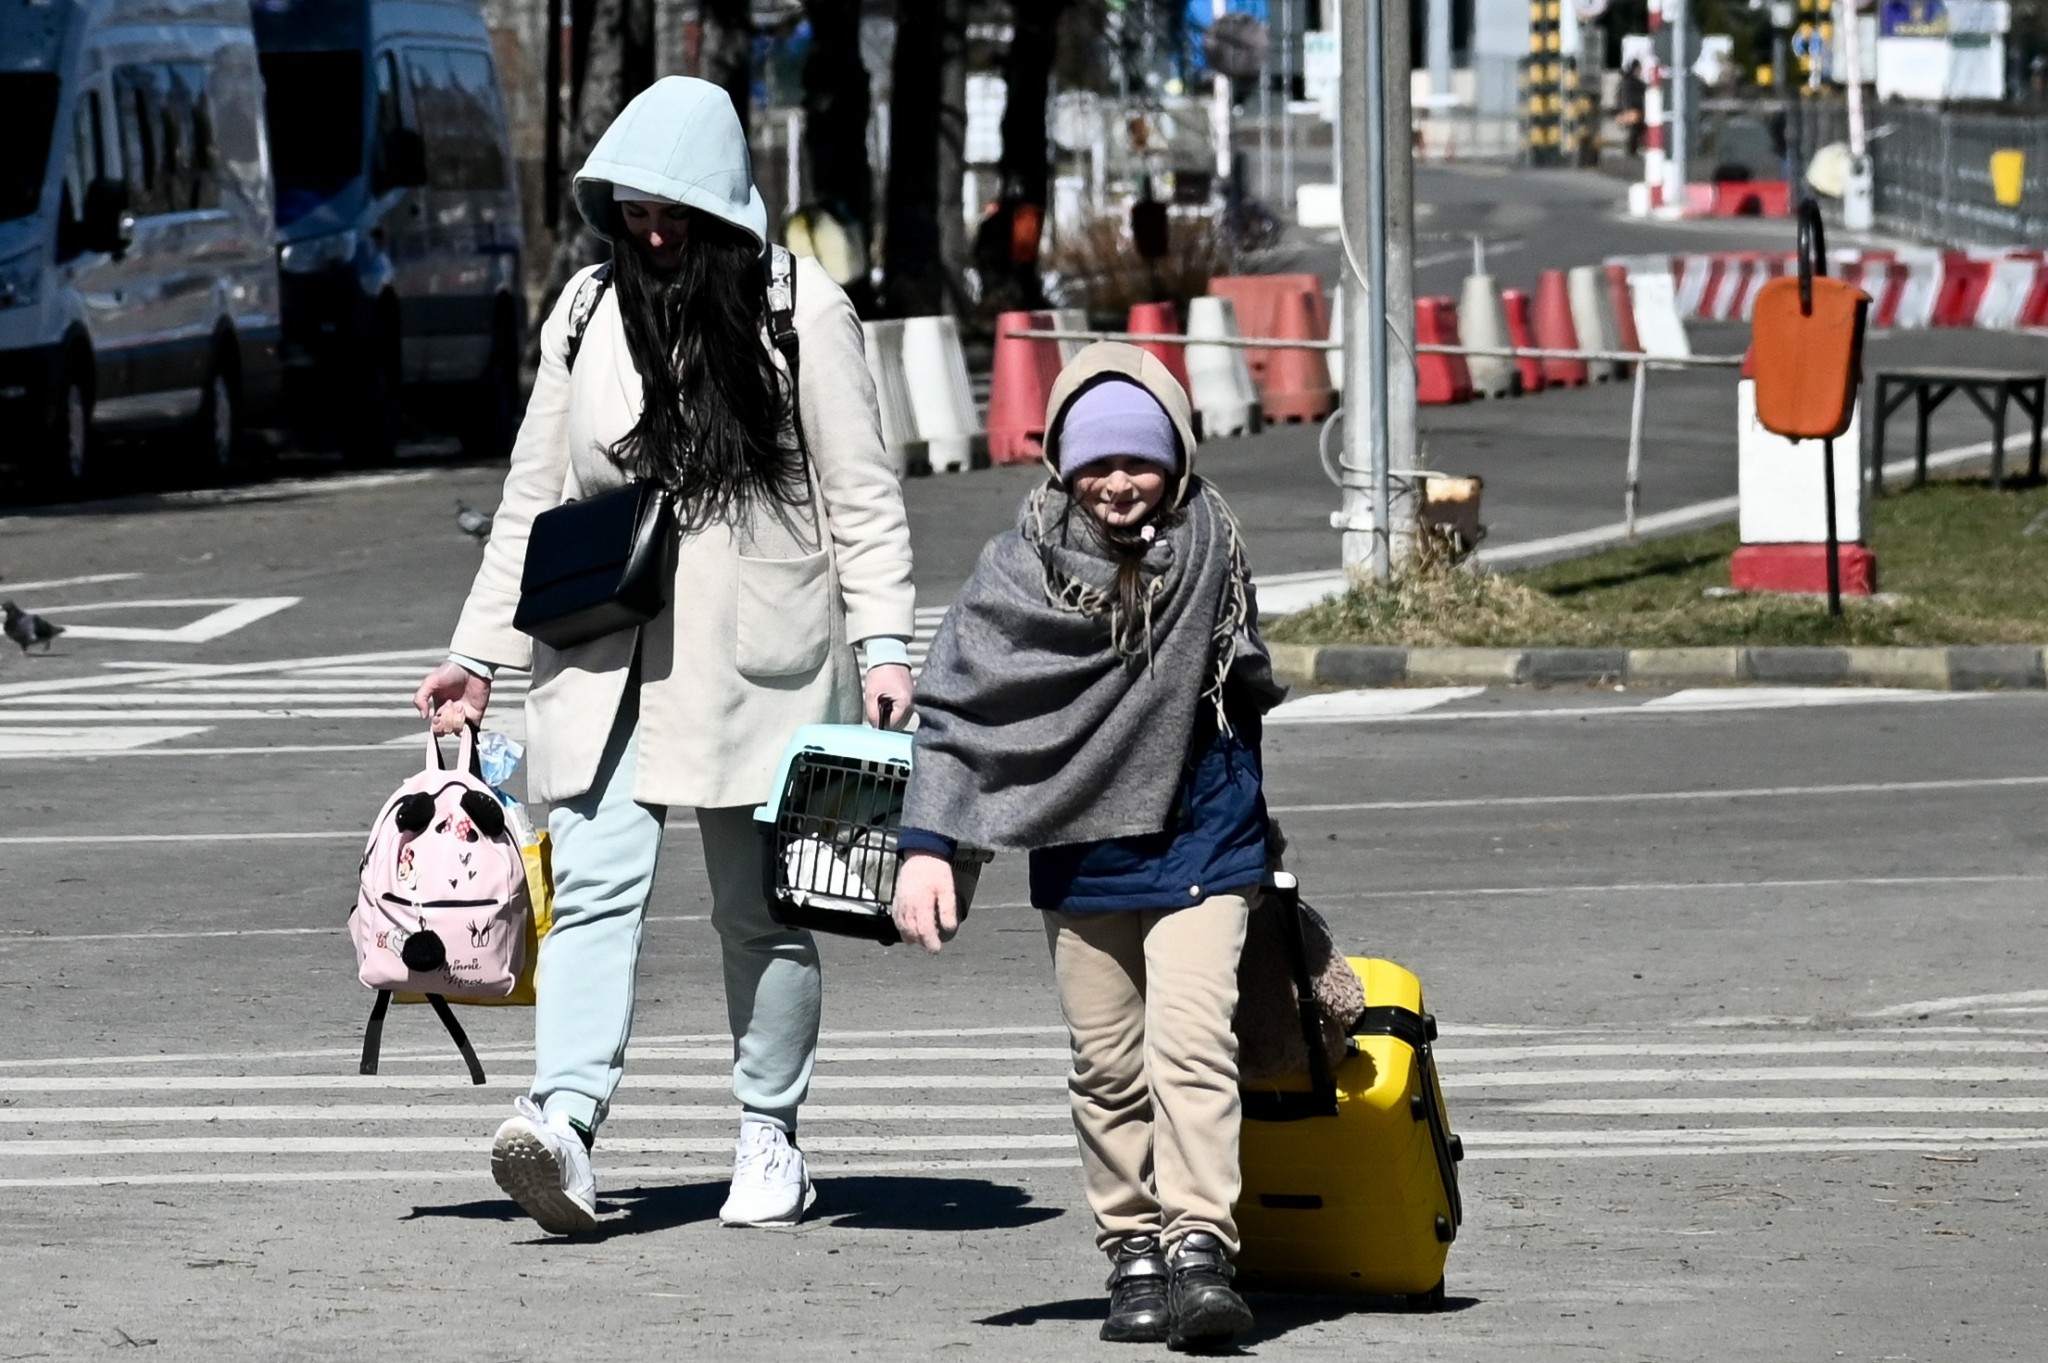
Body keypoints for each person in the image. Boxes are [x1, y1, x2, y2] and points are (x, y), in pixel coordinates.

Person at [412, 77, 915, 1235]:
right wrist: (475, 655)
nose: (649, 232)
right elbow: (531, 497)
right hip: (599, 651)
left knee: (766, 910)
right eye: (632, 210)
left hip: (760, 658)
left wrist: (885, 645)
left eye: (670, 212)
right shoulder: (585, 310)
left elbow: (862, 495)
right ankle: (565, 1123)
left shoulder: (800, 306)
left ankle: (768, 1132)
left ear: (720, 204)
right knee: (590, 891)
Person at [889, 344, 1284, 1351]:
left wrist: (1262, 838)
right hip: (1079, 848)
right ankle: (1133, 1253)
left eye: (1141, 460)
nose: (1118, 482)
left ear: (1178, 459)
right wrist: (931, 844)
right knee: (1106, 1065)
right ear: (1059, 461)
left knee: (1189, 1049)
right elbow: (960, 712)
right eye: (1096, 462)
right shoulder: (1013, 571)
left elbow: (1244, 690)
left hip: (1204, 838)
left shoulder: (1211, 544)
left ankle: (1201, 1250)